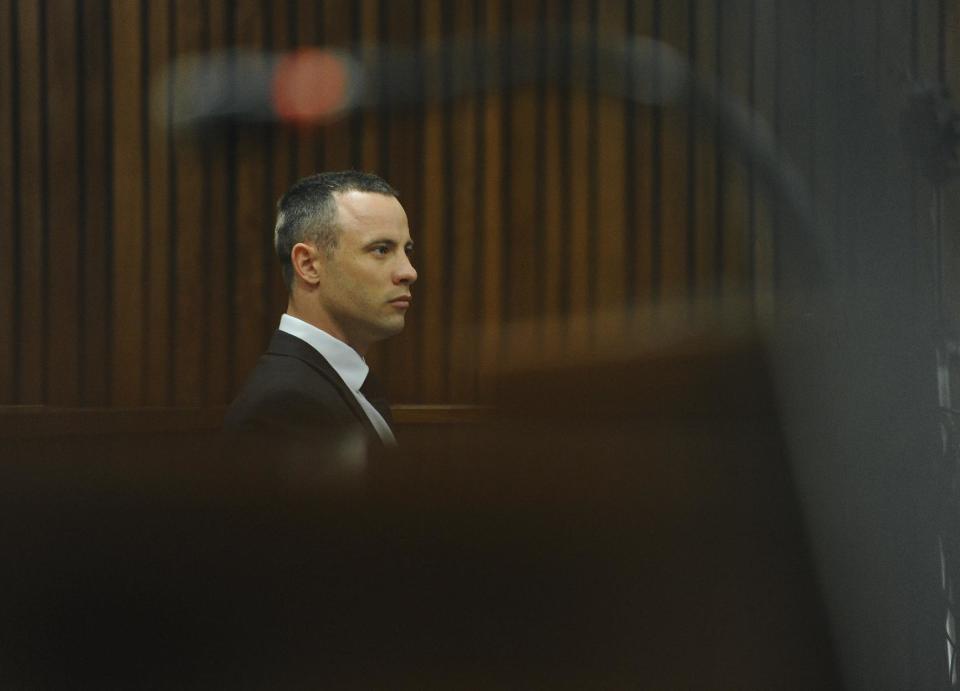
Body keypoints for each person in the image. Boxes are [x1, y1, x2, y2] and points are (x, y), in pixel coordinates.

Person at [224, 170, 417, 456]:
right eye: (381, 249)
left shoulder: (338, 381)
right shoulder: (285, 404)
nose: (408, 272)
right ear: (309, 265)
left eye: (406, 250)